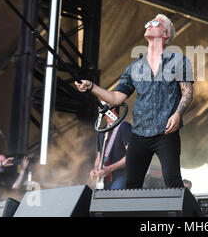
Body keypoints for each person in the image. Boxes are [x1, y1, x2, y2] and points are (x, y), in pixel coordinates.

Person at [76, 14, 194, 189]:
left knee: (173, 182)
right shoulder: (135, 67)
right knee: (131, 185)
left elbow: (188, 92)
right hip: (139, 134)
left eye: (155, 23)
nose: (149, 24)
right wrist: (92, 86)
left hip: (166, 132)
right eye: (148, 22)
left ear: (166, 34)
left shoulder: (179, 61)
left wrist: (177, 114)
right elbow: (116, 97)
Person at [90, 104, 132, 190]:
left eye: (103, 105)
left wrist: (109, 169)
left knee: (114, 199)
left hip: (121, 176)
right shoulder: (102, 131)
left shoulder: (124, 127)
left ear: (113, 109)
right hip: (104, 179)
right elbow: (99, 154)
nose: (99, 108)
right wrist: (95, 169)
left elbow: (131, 156)